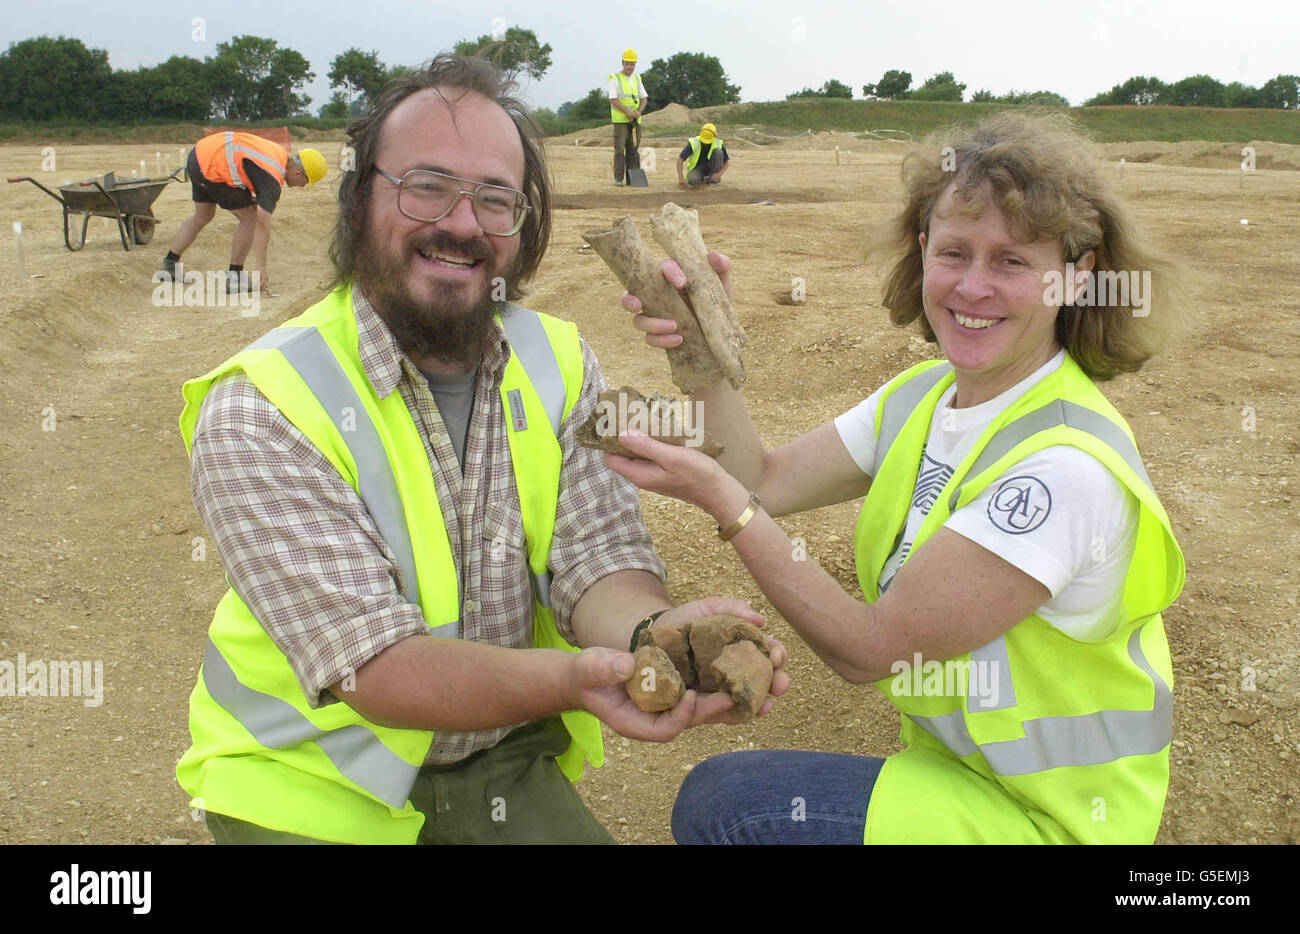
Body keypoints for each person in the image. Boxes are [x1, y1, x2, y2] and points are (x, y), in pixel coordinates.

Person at [174, 54, 785, 846]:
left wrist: (650, 637)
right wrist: (578, 679)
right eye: (426, 186)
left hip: (503, 760)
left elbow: (597, 557)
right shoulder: (264, 404)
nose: (461, 223)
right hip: (310, 783)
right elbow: (377, 666)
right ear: (360, 202)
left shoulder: (557, 361)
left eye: (495, 198)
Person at [609, 111, 1187, 844]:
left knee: (730, 806)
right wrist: (698, 350)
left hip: (1048, 821)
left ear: (1077, 275)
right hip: (966, 778)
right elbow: (765, 478)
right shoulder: (924, 397)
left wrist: (724, 504)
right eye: (953, 253)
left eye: (1011, 261)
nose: (973, 287)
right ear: (922, 252)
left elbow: (871, 648)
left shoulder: (1064, 467)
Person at [161, 131, 327, 293]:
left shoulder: (277, 154)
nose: (303, 186)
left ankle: (170, 265)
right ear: (298, 173)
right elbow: (262, 222)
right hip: (212, 168)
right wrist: (261, 267)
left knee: (203, 215)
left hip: (199, 155)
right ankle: (235, 277)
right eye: (305, 181)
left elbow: (246, 166)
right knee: (250, 219)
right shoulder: (272, 177)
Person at [608, 49, 649, 186]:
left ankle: (633, 180)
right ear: (622, 63)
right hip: (620, 121)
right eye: (627, 64)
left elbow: (644, 98)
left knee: (633, 149)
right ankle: (619, 179)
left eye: (632, 64)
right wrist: (627, 111)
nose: (629, 67)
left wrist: (639, 111)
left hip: (635, 121)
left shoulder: (637, 79)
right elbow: (613, 99)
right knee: (620, 149)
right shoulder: (615, 79)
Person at [678, 123, 729, 188]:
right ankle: (705, 179)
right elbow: (680, 159)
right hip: (697, 168)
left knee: (718, 152)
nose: (706, 143)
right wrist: (681, 178)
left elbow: (726, 163)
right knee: (693, 180)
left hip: (712, 167)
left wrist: (718, 174)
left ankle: (713, 180)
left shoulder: (718, 144)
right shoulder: (694, 143)